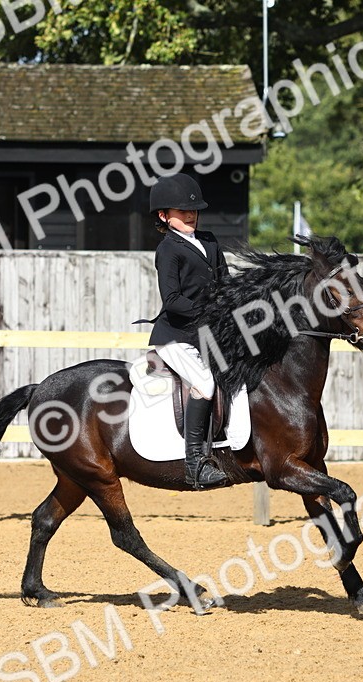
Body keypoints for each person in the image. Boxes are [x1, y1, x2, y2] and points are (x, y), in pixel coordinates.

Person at [144, 173, 229, 489]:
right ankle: (195, 464)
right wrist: (210, 313)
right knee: (205, 383)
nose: (191, 215)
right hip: (175, 337)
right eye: (182, 212)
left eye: (193, 210)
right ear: (164, 216)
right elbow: (173, 300)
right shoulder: (168, 249)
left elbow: (224, 283)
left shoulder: (209, 241)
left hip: (208, 334)